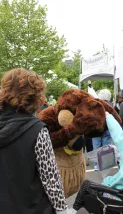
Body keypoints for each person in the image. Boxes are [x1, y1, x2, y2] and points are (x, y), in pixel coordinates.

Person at [0, 68, 73, 214]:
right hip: (33, 207)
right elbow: (50, 177)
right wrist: (62, 210)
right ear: (34, 96)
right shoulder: (37, 129)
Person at [92, 89, 113, 170]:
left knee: (96, 148)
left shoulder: (95, 104)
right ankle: (105, 164)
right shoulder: (110, 105)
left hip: (96, 130)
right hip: (107, 129)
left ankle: (96, 165)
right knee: (106, 148)